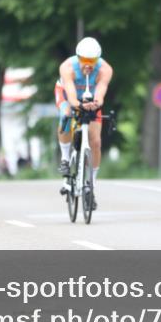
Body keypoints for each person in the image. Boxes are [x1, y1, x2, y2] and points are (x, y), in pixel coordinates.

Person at [55, 37, 113, 204]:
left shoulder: (105, 69)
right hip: (67, 95)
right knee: (66, 113)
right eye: (84, 60)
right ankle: (65, 158)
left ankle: (91, 184)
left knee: (96, 142)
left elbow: (100, 93)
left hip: (90, 99)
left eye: (92, 61)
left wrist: (96, 103)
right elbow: (71, 96)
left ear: (98, 60)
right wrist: (77, 105)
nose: (88, 65)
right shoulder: (67, 67)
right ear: (78, 57)